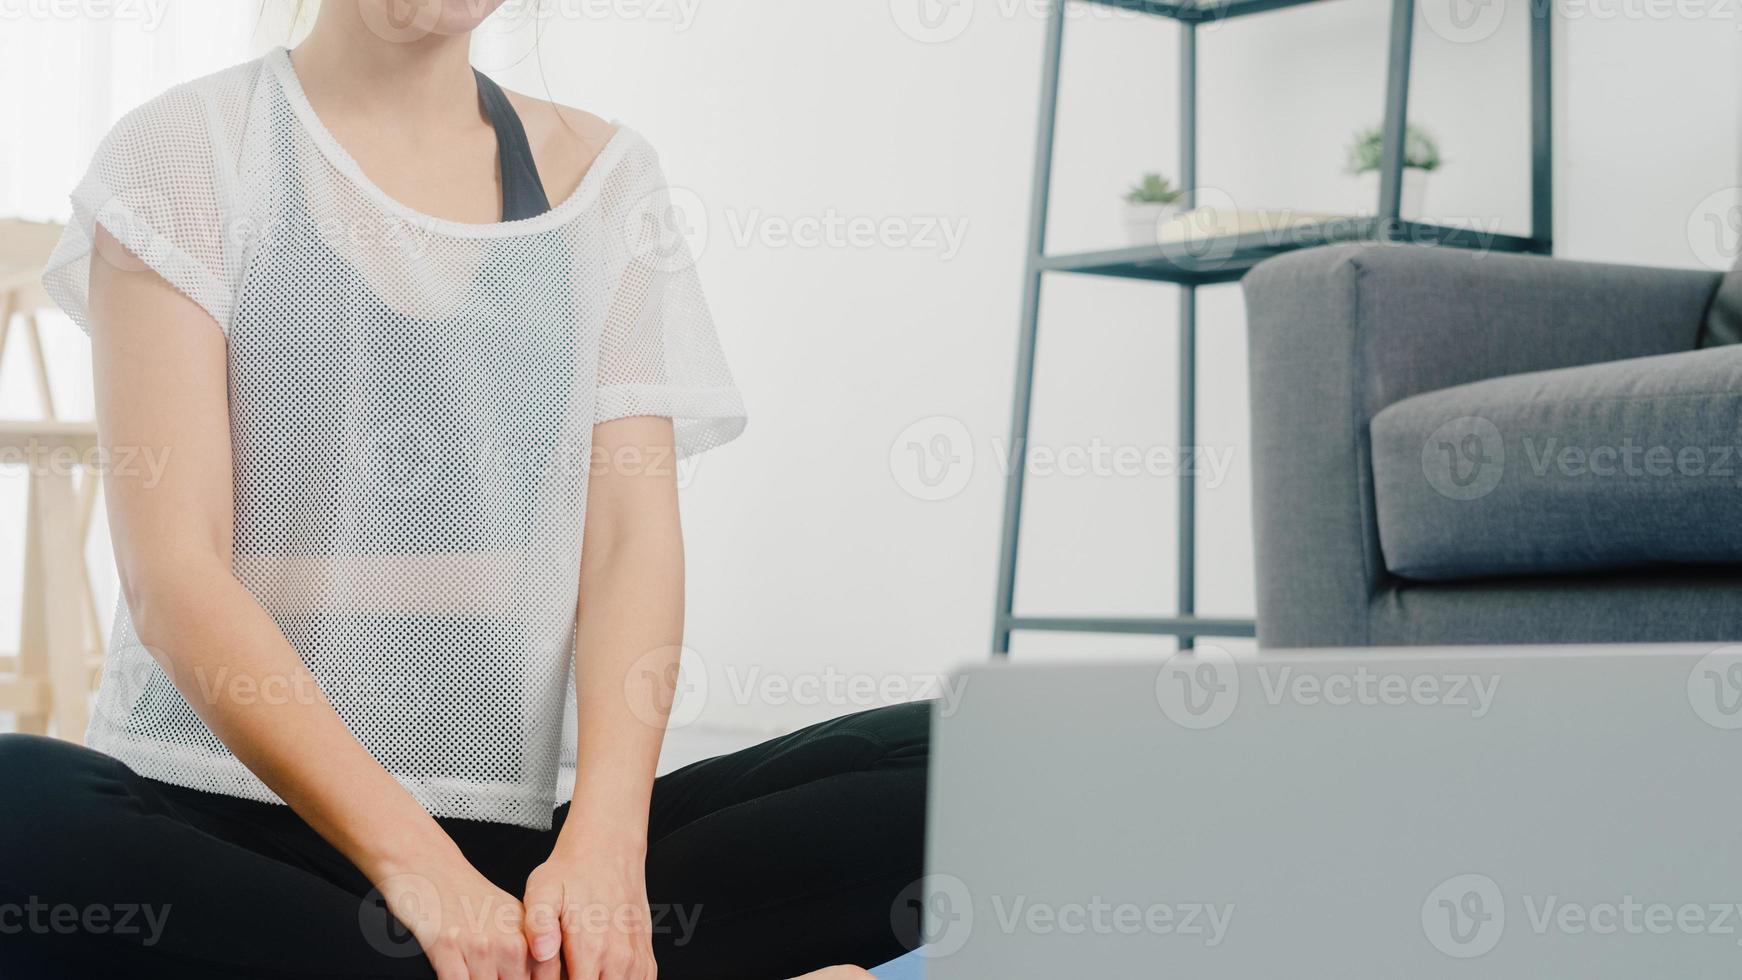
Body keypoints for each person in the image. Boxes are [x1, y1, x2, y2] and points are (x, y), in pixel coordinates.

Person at [0, 3, 929, 978]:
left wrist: (605, 847)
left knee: (964, 765)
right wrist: (421, 871)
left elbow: (628, 541)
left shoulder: (605, 181)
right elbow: (173, 579)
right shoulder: (184, 150)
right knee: (19, 808)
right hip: (224, 824)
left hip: (512, 865)